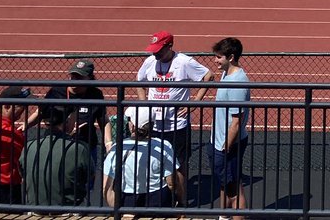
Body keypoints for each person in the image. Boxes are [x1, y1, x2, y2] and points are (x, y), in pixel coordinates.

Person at [135, 31, 209, 208]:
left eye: (159, 50)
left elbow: (208, 76)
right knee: (154, 163)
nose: (155, 54)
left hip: (177, 125)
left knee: (179, 165)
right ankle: (157, 200)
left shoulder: (184, 62)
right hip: (154, 124)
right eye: (153, 50)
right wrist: (144, 105)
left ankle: (181, 203)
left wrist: (195, 103)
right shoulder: (150, 61)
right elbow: (139, 82)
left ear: (169, 46)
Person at [20, 86, 92, 207]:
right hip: (68, 208)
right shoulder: (79, 149)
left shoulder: (29, 147)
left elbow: (22, 173)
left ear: (45, 121)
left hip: (35, 207)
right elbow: (88, 176)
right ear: (67, 120)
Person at [102, 106, 175, 209]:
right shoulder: (164, 146)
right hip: (157, 200)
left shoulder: (118, 148)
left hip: (127, 200)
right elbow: (171, 182)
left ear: (132, 126)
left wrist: (118, 210)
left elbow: (106, 187)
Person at [210, 38, 250, 220]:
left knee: (234, 190)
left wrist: (226, 145)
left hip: (228, 144)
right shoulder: (226, 74)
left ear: (231, 57)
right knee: (224, 184)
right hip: (218, 141)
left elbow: (236, 121)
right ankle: (224, 217)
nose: (215, 61)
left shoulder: (237, 82)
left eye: (219, 57)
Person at [66, 58, 106, 163]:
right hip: (64, 144)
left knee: (89, 171)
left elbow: (103, 119)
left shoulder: (95, 94)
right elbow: (43, 115)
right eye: (73, 75)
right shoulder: (59, 91)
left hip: (87, 145)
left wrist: (108, 142)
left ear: (89, 78)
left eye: (79, 77)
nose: (74, 79)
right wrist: (68, 131)